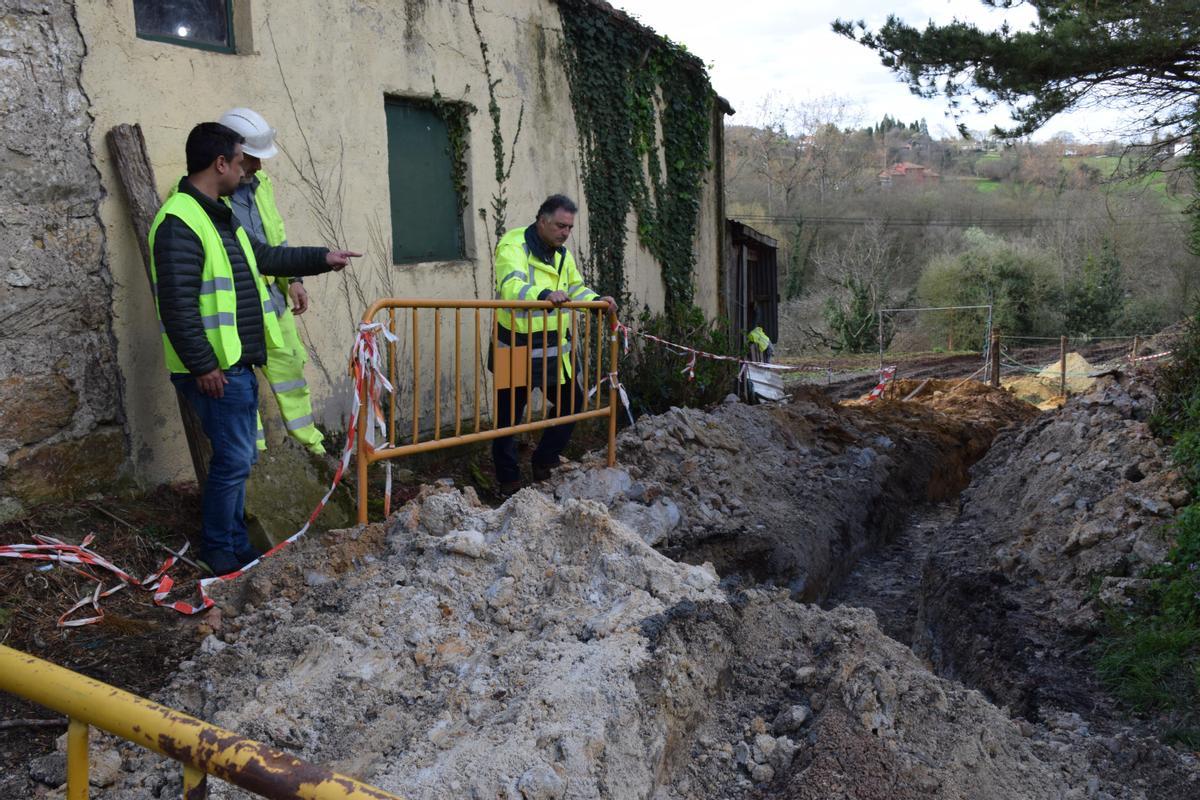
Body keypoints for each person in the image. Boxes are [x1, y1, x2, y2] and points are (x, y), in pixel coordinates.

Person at [149, 121, 360, 575]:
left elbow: (265, 258)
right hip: (216, 370)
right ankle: (219, 551)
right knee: (232, 461)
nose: (247, 170)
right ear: (220, 163)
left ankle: (234, 545)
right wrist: (204, 364)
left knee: (238, 460)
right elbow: (177, 305)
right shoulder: (180, 221)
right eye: (241, 160)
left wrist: (321, 258)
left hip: (233, 365)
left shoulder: (217, 215)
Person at [491, 194, 617, 496]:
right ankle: (508, 481)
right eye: (561, 226)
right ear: (542, 221)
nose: (565, 233)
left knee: (571, 405)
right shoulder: (513, 245)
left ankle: (543, 463)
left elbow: (575, 287)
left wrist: (596, 300)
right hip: (517, 347)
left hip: (551, 349)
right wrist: (543, 293)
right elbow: (510, 284)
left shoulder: (561, 254)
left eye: (570, 228)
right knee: (509, 420)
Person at [217, 107, 326, 456]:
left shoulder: (261, 185)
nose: (258, 167)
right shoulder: (201, 195)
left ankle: (316, 455)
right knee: (243, 390)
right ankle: (258, 470)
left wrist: (292, 279)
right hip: (237, 310)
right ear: (227, 156)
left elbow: (274, 238)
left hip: (274, 305)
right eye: (251, 158)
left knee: (292, 375)